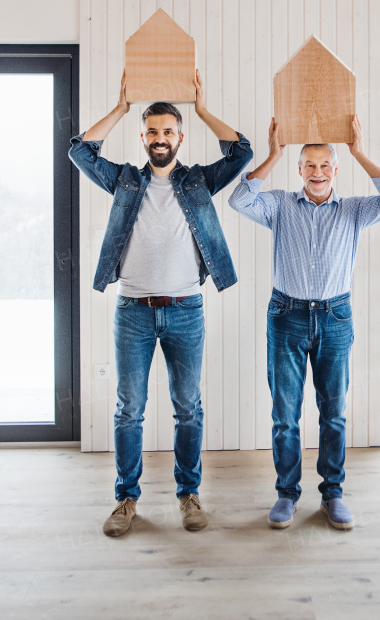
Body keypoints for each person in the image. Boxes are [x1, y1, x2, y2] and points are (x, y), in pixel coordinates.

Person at [69, 70, 252, 538]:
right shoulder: (126, 182)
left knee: (188, 407)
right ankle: (126, 500)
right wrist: (122, 105)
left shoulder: (198, 183)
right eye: (152, 132)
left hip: (186, 310)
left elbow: (242, 152)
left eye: (168, 132)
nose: (160, 139)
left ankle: (188, 494)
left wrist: (202, 105)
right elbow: (79, 151)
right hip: (133, 311)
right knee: (129, 409)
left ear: (179, 137)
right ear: (144, 137)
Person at [228, 114, 380, 531]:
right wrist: (273, 154)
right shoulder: (278, 206)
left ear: (336, 169)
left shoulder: (356, 211)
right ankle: (287, 494)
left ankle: (333, 494)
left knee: (333, 414)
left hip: (335, 317)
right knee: (285, 414)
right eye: (309, 165)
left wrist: (358, 149)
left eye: (326, 165)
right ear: (299, 169)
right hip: (286, 316)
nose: (318, 172)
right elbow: (239, 200)